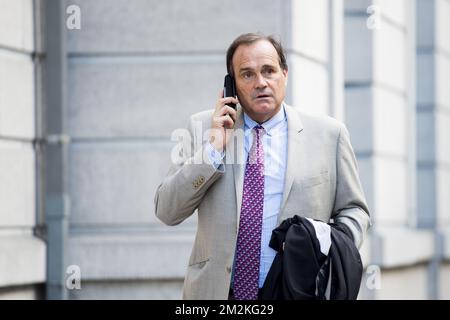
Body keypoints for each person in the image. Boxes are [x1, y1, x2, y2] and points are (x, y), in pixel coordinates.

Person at [154, 32, 371, 300]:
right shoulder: (202, 129)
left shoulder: (329, 134)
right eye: (247, 74)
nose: (260, 83)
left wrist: (328, 247)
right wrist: (213, 149)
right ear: (231, 86)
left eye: (269, 71)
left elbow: (355, 210)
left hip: (297, 290)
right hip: (219, 293)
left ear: (285, 74)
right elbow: (167, 210)